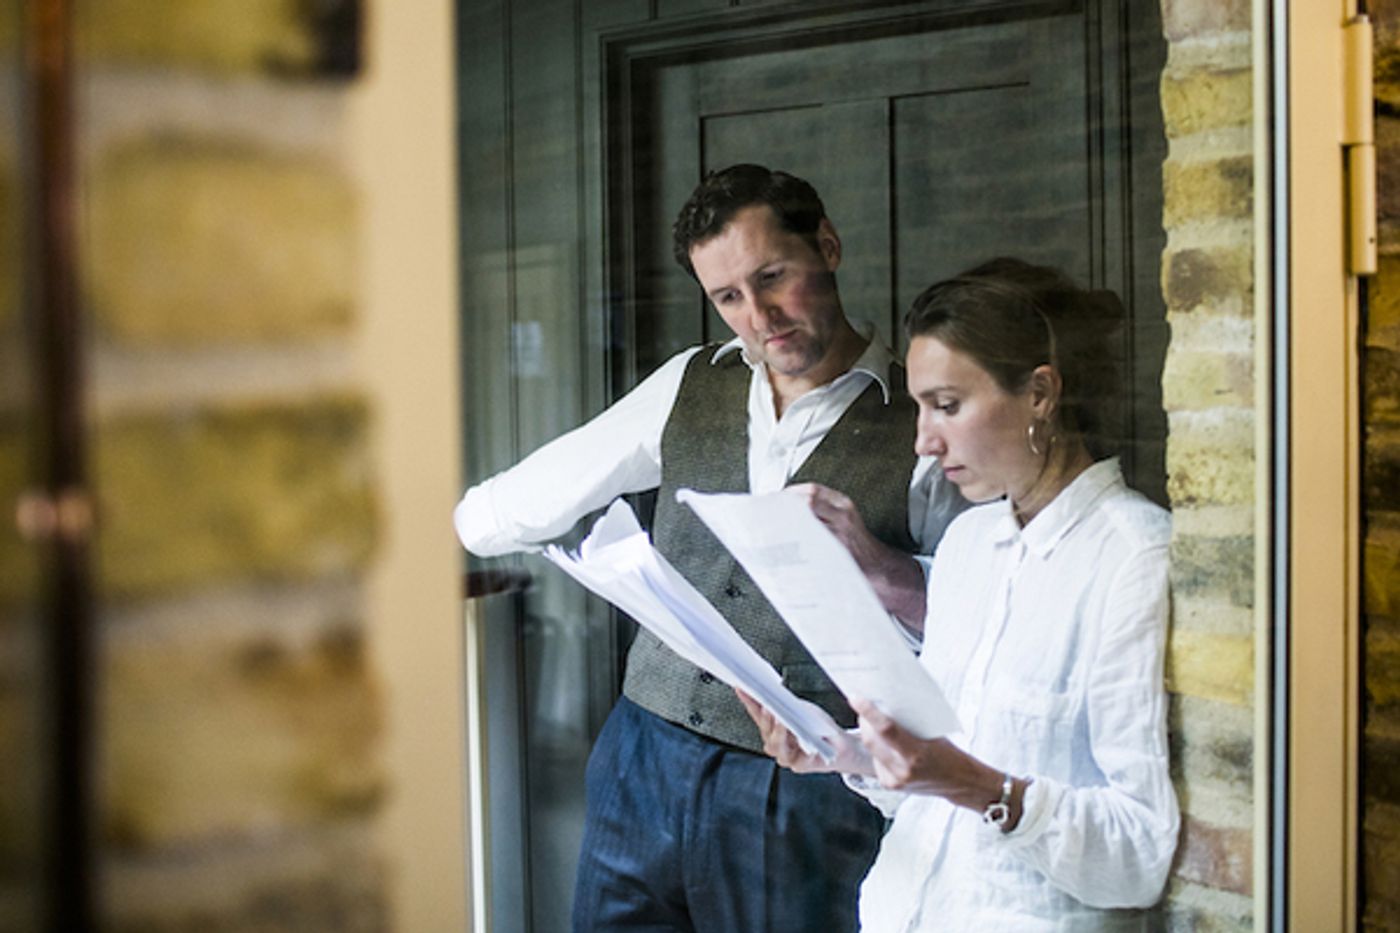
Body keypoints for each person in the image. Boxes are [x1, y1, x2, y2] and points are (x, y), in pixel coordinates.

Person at [454, 164, 967, 931]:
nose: (758, 316)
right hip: (640, 751)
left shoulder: (922, 426)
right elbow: (532, 494)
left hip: (806, 791)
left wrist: (882, 566)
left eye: (773, 278)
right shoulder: (687, 383)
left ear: (826, 246)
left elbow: (971, 624)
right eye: (728, 297)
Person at [742, 258, 1179, 931]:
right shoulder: (969, 546)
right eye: (920, 407)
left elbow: (1140, 852)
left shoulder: (1133, 556)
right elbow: (933, 776)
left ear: (1040, 393)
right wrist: (838, 750)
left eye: (947, 405)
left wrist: (977, 786)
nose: (924, 441)